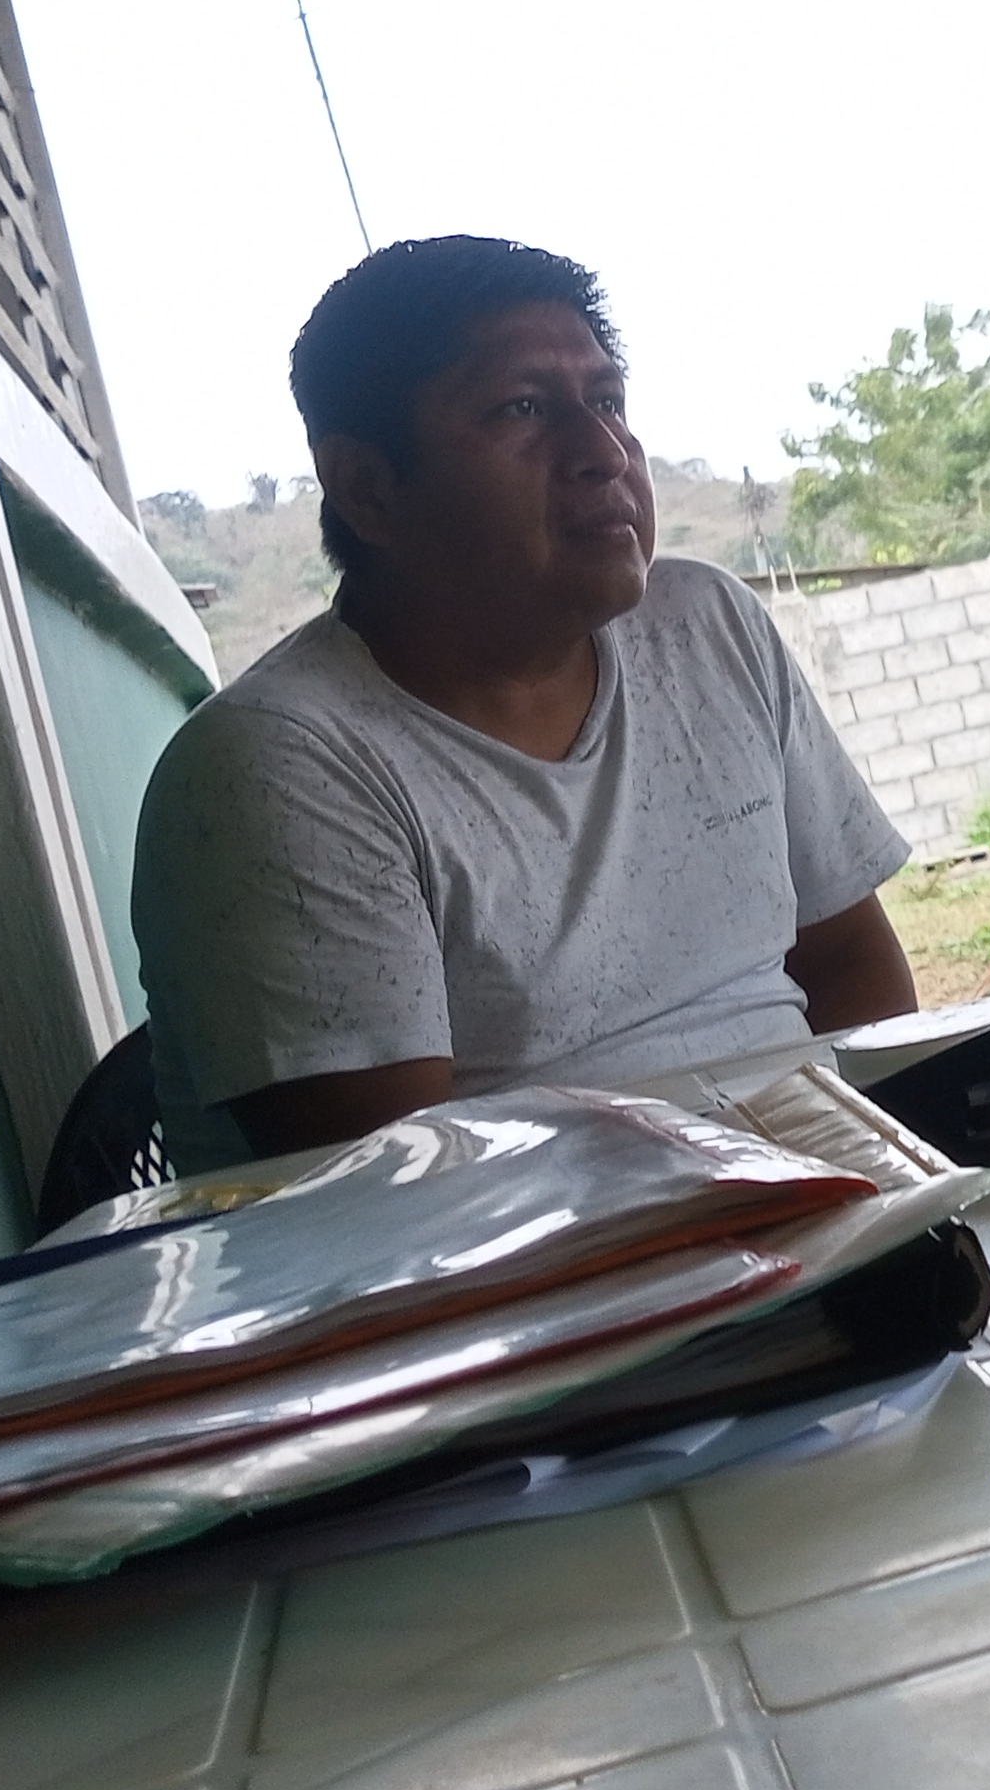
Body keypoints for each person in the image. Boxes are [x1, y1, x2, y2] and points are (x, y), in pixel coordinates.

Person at [134, 237, 915, 1157]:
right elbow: (400, 1188)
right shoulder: (281, 768)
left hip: (837, 1194)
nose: (604, 452)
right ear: (368, 488)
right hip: (554, 1241)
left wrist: (893, 1172)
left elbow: (850, 964)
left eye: (608, 401)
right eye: (524, 408)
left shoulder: (706, 629)